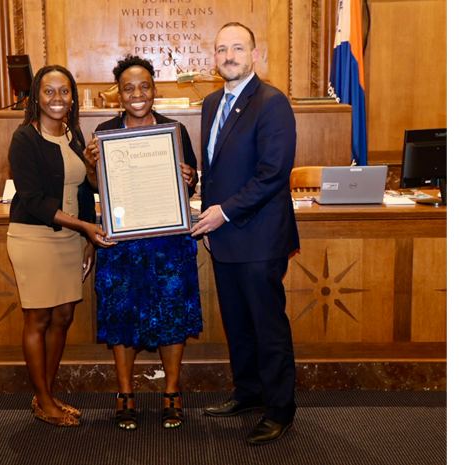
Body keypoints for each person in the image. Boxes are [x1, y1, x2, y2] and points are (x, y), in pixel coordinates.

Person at [190, 22, 300, 445]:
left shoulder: (272, 103)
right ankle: (250, 392)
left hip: (259, 237)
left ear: (255, 55)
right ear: (214, 57)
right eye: (221, 49)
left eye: (238, 48)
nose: (229, 56)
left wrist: (224, 214)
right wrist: (209, 214)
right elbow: (215, 172)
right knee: (238, 324)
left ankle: (280, 407)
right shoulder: (212, 102)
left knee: (267, 324)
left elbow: (273, 173)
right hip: (225, 237)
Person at [83, 55, 203, 430]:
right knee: (122, 317)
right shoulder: (104, 130)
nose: (138, 94)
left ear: (155, 90)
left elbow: (192, 179)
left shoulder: (174, 130)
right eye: (129, 87)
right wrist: (91, 165)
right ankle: (125, 394)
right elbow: (94, 187)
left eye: (145, 86)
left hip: (168, 243)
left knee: (172, 316)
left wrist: (189, 176)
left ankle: (171, 393)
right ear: (118, 93)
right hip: (123, 245)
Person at [6, 64, 115, 427]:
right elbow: (35, 201)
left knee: (64, 317)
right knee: (38, 318)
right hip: (34, 237)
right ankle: (44, 399)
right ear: (36, 95)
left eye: (64, 91)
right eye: (49, 91)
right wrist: (86, 226)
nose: (57, 99)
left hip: (71, 239)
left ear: (73, 96)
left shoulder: (75, 134)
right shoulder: (25, 138)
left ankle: (46, 395)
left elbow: (88, 189)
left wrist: (86, 239)